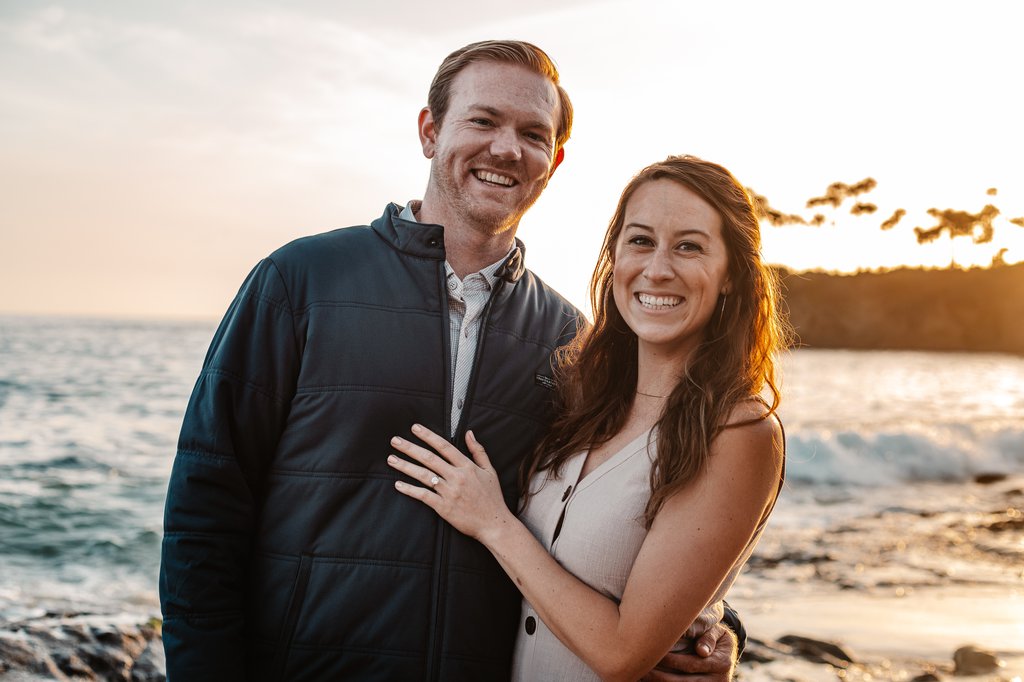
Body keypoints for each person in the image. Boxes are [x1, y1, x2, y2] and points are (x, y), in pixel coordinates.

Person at [160, 41, 740, 681]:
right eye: (483, 120)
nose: (506, 149)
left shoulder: (571, 339)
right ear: (430, 131)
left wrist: (712, 627)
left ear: (554, 161)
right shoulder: (301, 281)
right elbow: (205, 512)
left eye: (531, 134)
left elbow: (617, 513)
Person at [388, 155, 788, 682]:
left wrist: (492, 522)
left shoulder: (739, 433)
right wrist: (721, 627)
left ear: (732, 274)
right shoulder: (583, 389)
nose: (658, 268)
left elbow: (622, 653)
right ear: (615, 256)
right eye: (641, 240)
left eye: (688, 246)